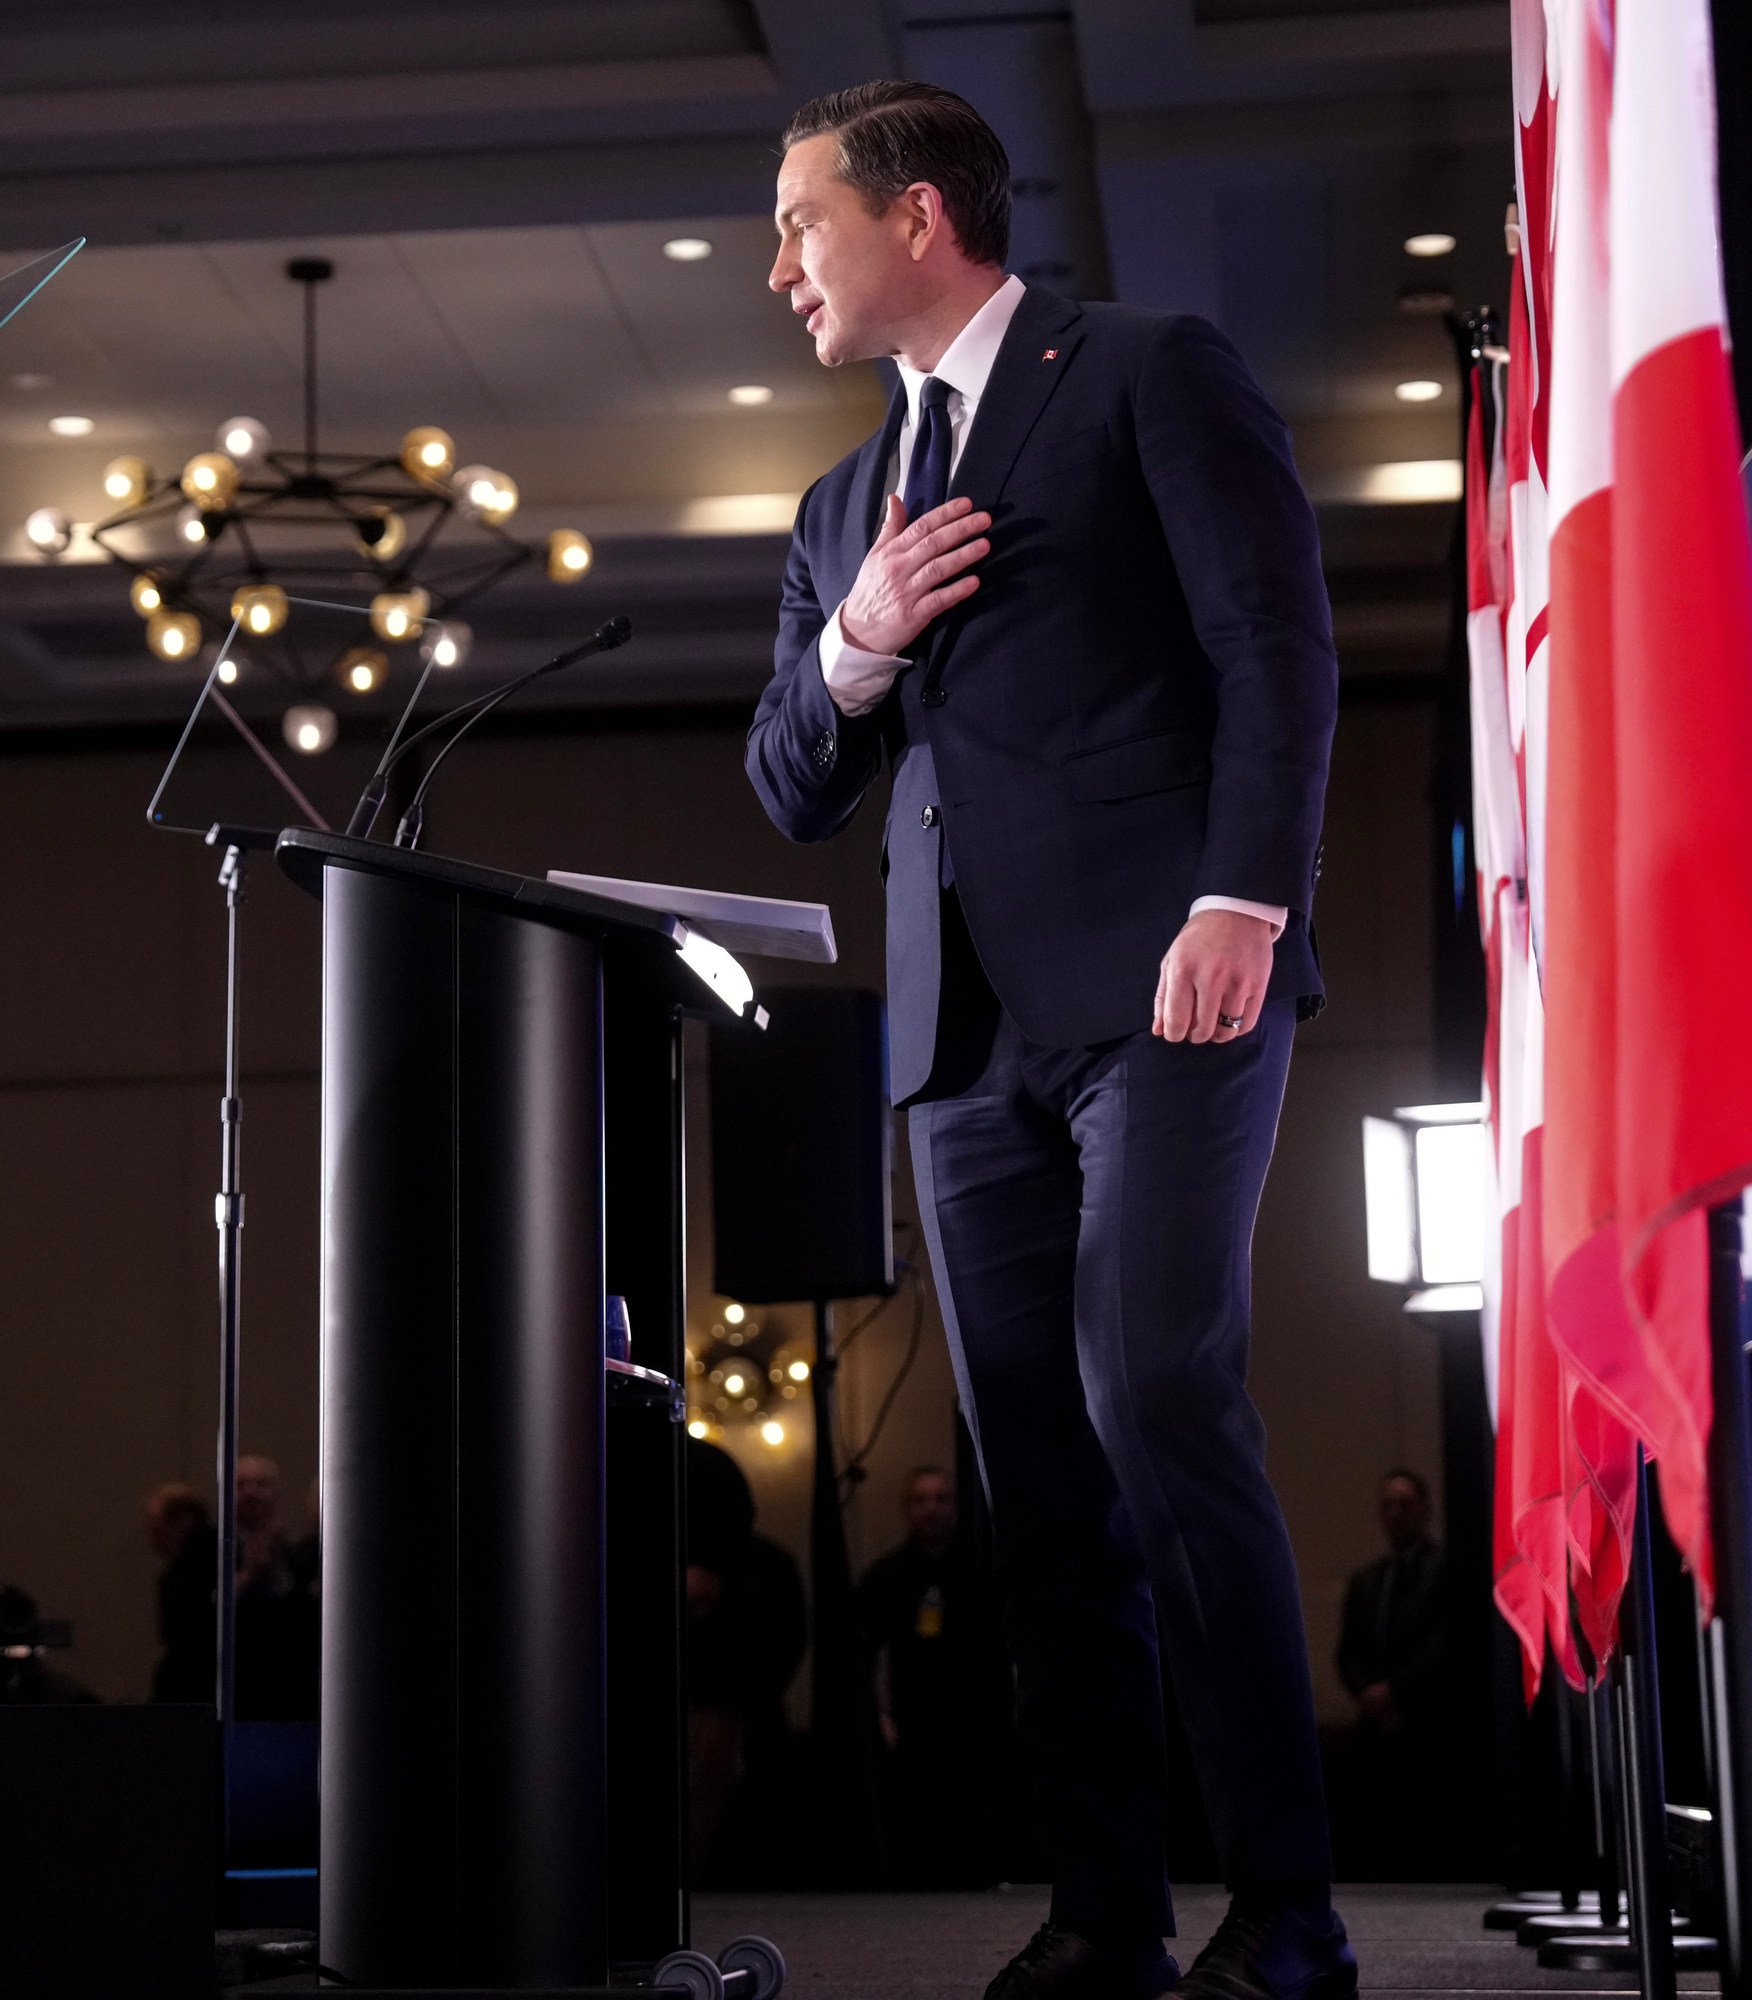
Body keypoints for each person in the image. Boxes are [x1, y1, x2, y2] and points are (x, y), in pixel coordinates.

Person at [745, 80, 1346, 2000]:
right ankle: (1107, 1918)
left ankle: (1293, 1913)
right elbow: (788, 784)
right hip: (964, 1047)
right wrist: (852, 643)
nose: (780, 271)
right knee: (1034, 1489)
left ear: (919, 218)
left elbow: (1275, 643)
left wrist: (1245, 898)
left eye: (802, 226)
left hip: (1171, 978)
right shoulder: (843, 506)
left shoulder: (1148, 367)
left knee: (1161, 1397)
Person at [860, 1465, 1015, 1886]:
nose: (931, 1509)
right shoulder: (886, 1576)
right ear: (906, 1510)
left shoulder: (986, 1572)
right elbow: (862, 1655)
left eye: (940, 1498)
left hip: (979, 1721)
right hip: (915, 1725)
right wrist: (881, 1716)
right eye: (920, 1499)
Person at [681, 1434, 805, 1881]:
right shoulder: (761, 1566)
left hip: (726, 1686)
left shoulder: (764, 1571)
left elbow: (787, 1639)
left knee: (708, 1782)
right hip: (729, 1685)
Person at [1334, 1470, 1449, 1875]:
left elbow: (1444, 1644)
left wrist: (1395, 1692)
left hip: (1427, 1723)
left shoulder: (1447, 1572)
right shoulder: (1367, 1581)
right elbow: (1347, 1652)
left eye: (1405, 1503)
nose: (1396, 1513)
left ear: (1425, 1510)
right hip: (1373, 1726)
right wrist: (1368, 1694)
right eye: (1388, 1505)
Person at [232, 1454, 321, 1721]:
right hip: (236, 1686)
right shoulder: (207, 1555)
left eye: (260, 1484)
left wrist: (274, 1574)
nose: (251, 1493)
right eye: (241, 1485)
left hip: (290, 1692)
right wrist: (249, 1574)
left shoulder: (302, 1556)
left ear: (276, 1493)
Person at [145, 1481, 215, 1703]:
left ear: (184, 1521)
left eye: (157, 1530)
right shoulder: (180, 1569)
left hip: (198, 1684)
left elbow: (184, 1631)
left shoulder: (202, 1567)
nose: (154, 1541)